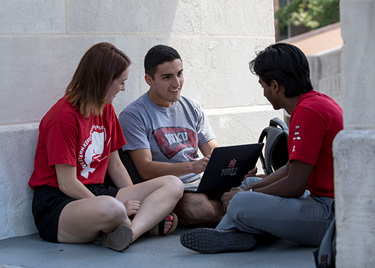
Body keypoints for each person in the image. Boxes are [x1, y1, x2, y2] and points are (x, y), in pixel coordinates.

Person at [180, 43, 343, 253]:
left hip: (330, 215)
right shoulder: (315, 103)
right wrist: (249, 187)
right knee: (248, 182)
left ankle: (229, 234)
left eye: (263, 86)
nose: (264, 92)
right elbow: (291, 169)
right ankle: (241, 233)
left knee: (241, 203)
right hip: (320, 202)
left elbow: (295, 185)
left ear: (274, 85)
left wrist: (245, 193)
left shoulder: (307, 113)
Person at [28, 42, 184, 252]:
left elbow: (116, 166)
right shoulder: (63, 117)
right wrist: (122, 208)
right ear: (103, 81)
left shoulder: (107, 110)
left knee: (173, 184)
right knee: (111, 208)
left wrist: (132, 202)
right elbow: (67, 183)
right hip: (59, 204)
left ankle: (129, 232)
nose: (123, 89)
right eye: (121, 82)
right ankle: (140, 224)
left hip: (98, 192)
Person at [118, 44, 224, 226]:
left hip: (204, 181)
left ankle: (234, 216)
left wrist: (234, 167)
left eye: (179, 74)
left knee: (254, 187)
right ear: (149, 80)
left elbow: (213, 152)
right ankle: (236, 217)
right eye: (167, 77)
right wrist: (191, 167)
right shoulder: (133, 115)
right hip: (175, 189)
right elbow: (145, 169)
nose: (176, 83)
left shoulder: (192, 107)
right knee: (199, 209)